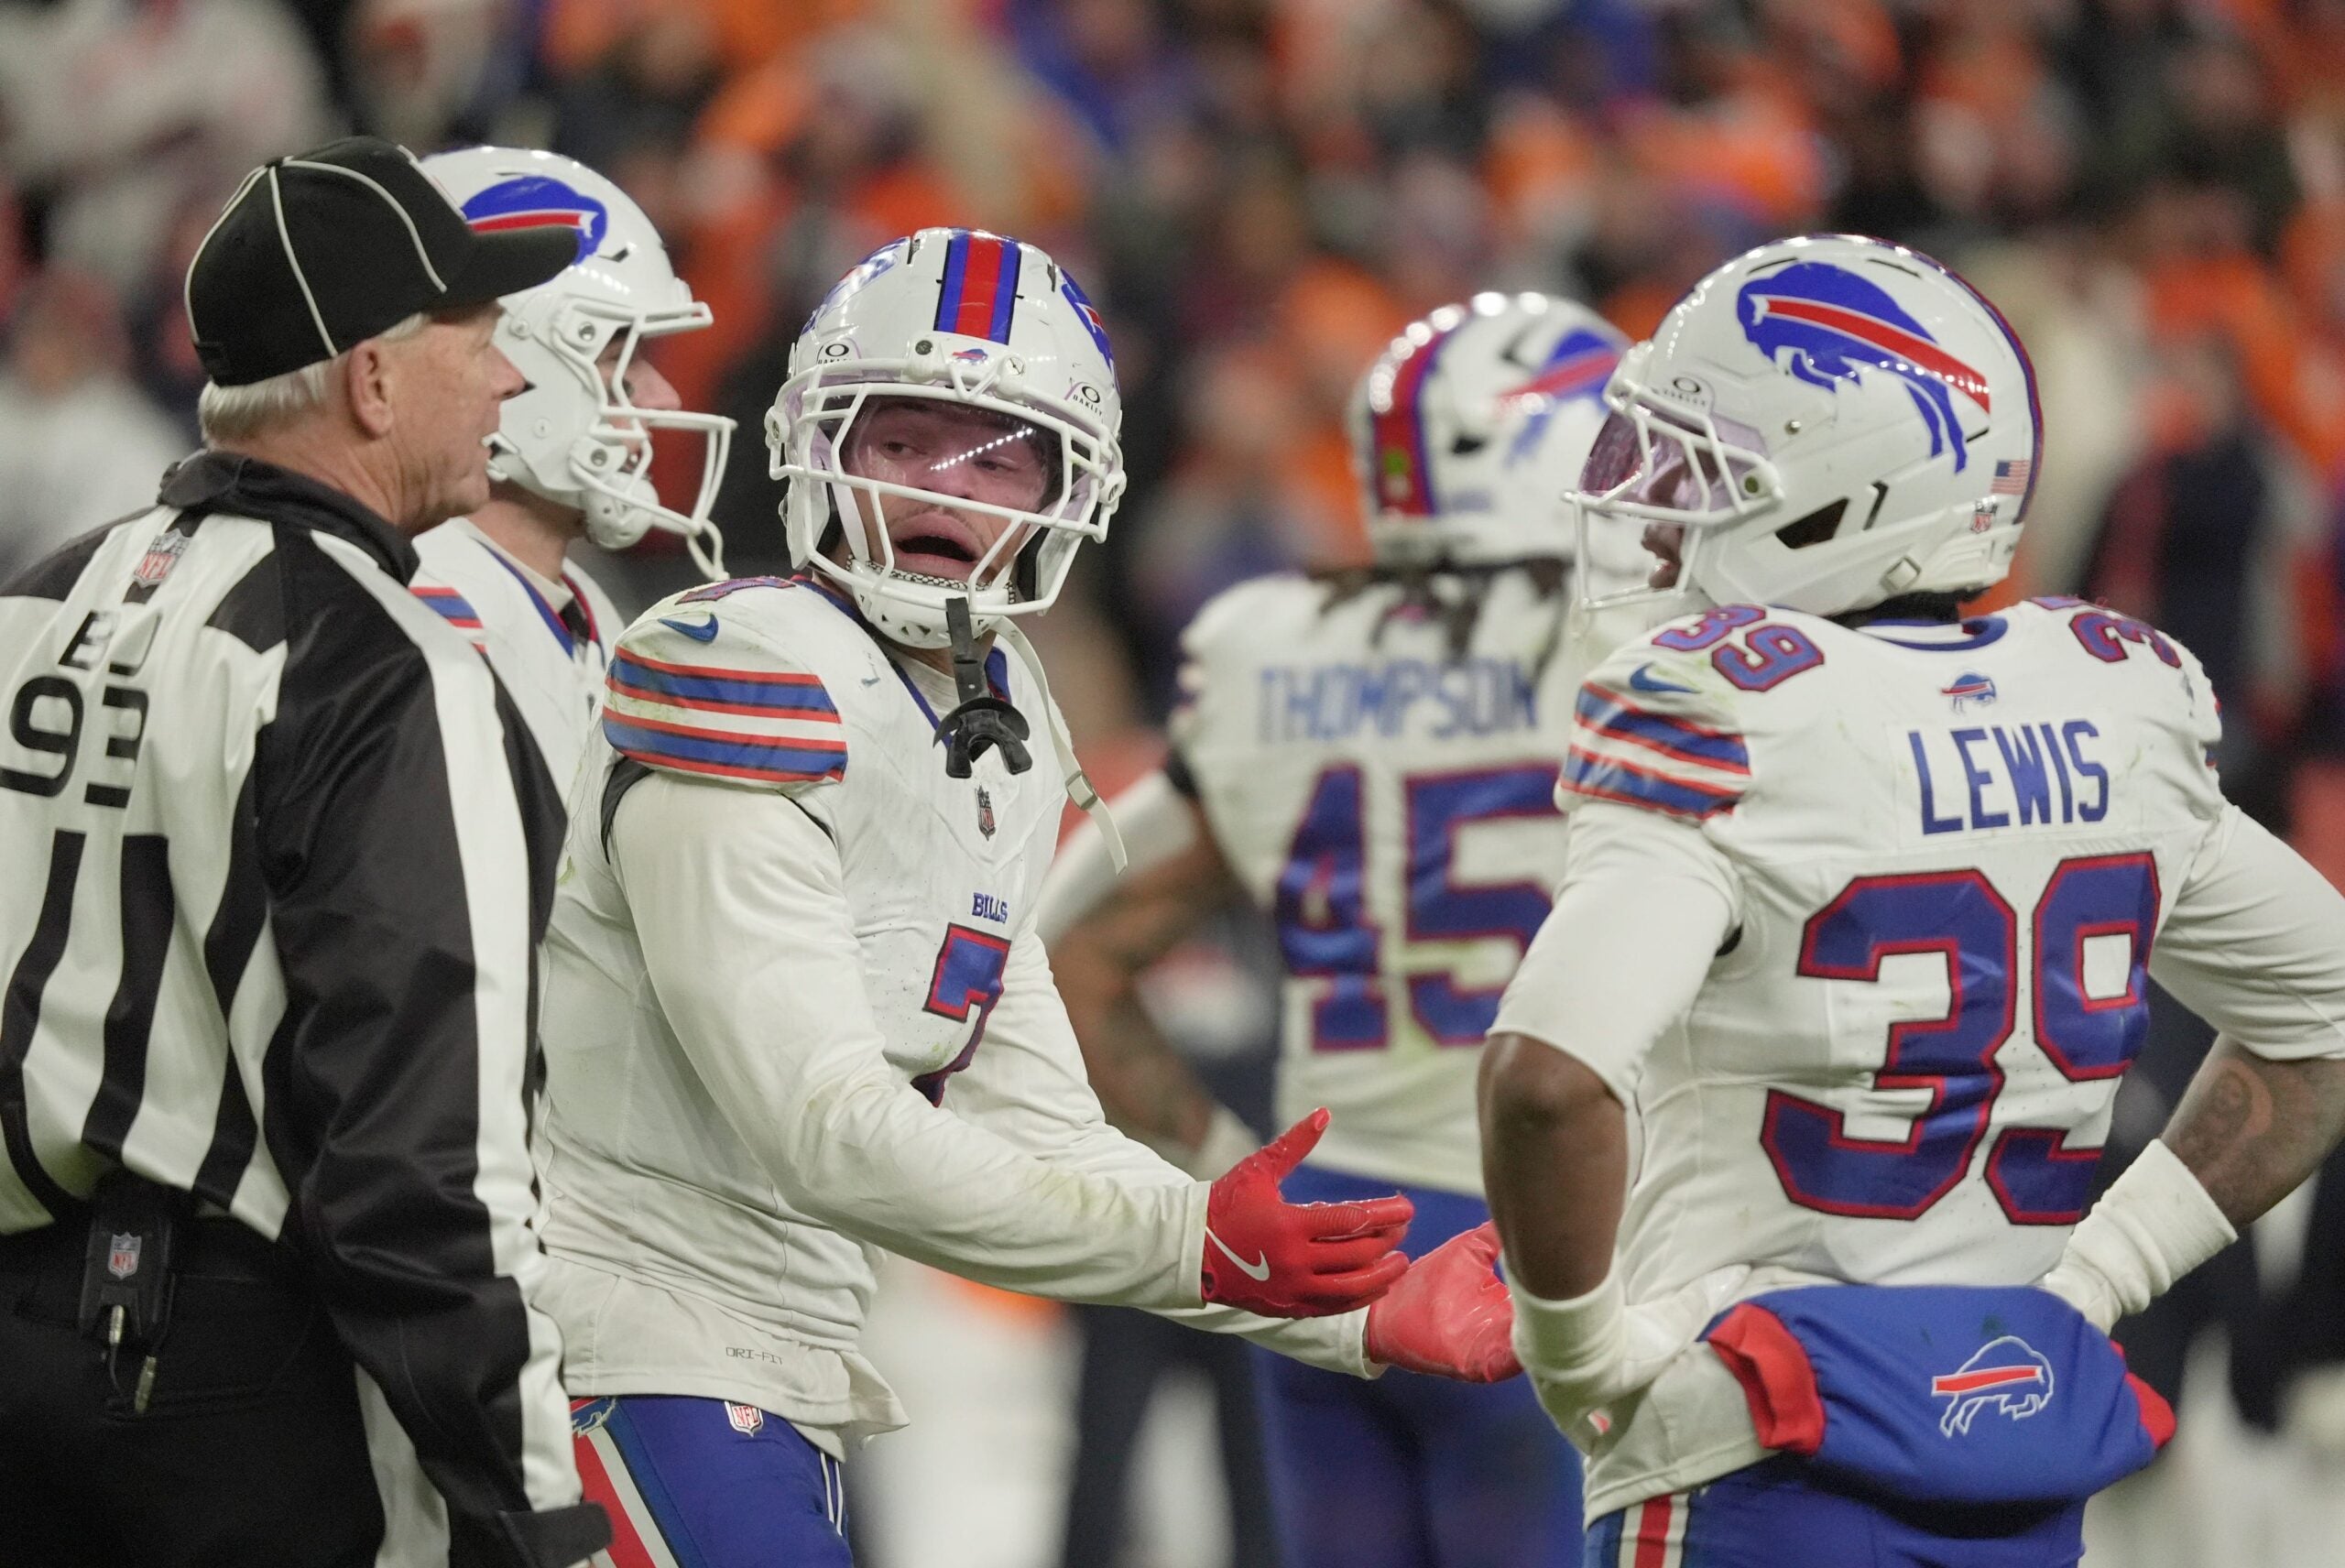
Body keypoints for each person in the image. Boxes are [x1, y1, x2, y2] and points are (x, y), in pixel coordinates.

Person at [535, 228, 1520, 1563]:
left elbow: (1043, 1117)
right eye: (906, 440)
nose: (947, 485)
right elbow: (823, 1124)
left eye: (998, 455)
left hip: (764, 1357)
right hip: (624, 1335)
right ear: (822, 443)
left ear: (1073, 488)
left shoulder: (991, 712)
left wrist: (1358, 1307)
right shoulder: (740, 662)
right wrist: (1199, 1244)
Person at [1476, 234, 2345, 1568]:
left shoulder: (1728, 709)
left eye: (1701, 476)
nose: (1653, 514)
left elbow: (1548, 1079)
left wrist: (1574, 1352)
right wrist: (2103, 1277)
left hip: (1756, 1439)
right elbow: (2324, 1016)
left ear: (1847, 495)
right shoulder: (2110, 700)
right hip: (2017, 1432)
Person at [0, 137, 608, 1567]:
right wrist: (534, 1513)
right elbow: (423, 1162)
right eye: (477, 336)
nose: (510, 379)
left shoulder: (38, 596)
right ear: (373, 380)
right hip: (236, 1385)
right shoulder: (384, 664)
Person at [1036, 291, 1640, 1568]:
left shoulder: (1274, 643)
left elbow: (1068, 953)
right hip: (1558, 1231)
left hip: (1330, 1231)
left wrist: (1224, 1168)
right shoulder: (1639, 660)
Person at [409, 147, 735, 785]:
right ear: (504, 369)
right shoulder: (434, 611)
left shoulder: (581, 599)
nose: (664, 397)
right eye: (621, 359)